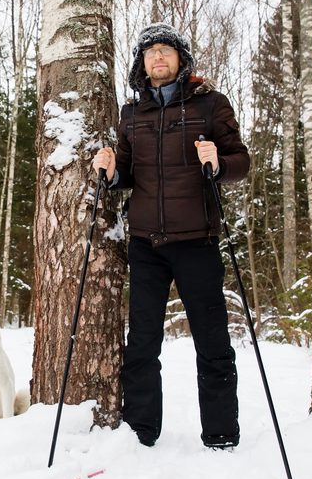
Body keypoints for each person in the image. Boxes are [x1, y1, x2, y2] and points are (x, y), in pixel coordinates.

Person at [92, 23, 250, 450]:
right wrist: (110, 172)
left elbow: (241, 162)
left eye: (166, 51)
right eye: (150, 53)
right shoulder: (132, 114)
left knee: (212, 342)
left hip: (197, 240)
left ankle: (220, 434)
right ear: (142, 64)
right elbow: (126, 174)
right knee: (142, 342)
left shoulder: (210, 105)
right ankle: (142, 431)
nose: (158, 58)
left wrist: (218, 161)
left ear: (181, 59)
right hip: (146, 244)